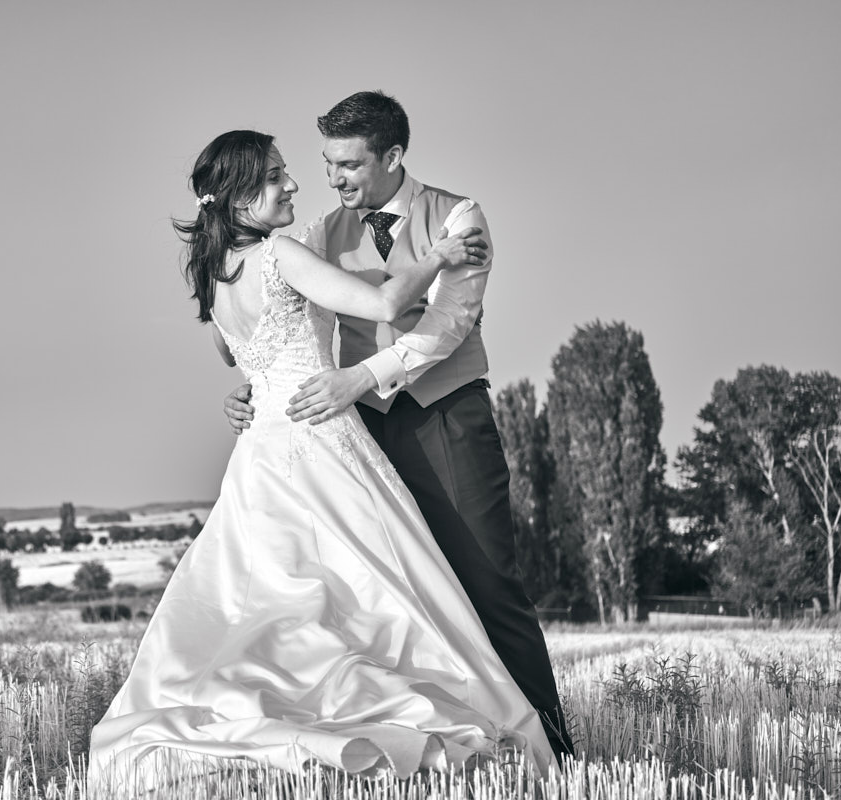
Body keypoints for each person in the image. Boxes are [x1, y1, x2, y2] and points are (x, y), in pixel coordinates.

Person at [87, 129, 555, 796]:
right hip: (326, 444)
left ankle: (288, 728)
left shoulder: (214, 275)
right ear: (243, 197)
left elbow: (242, 357)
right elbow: (387, 304)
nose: (294, 185)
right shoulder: (280, 252)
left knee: (283, 604)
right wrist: (443, 254)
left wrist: (247, 394)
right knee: (368, 597)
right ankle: (373, 728)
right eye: (277, 176)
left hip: (262, 456)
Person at [223, 91, 574, 761]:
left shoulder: (460, 217)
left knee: (487, 582)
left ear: (392, 156)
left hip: (447, 419)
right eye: (327, 164)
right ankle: (441, 751)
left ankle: (552, 751)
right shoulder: (320, 232)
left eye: (349, 165)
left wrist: (361, 376)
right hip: (353, 435)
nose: (334, 179)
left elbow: (447, 326)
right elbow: (301, 328)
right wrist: (256, 391)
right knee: (387, 599)